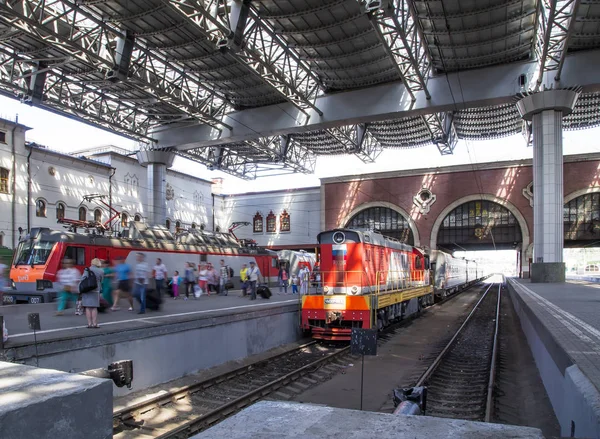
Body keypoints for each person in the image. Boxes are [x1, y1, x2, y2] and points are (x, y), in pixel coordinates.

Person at [80, 258, 104, 328]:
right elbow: (101, 281)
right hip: (96, 290)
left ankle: (89, 324)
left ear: (92, 263)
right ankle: (95, 324)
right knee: (94, 307)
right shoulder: (101, 271)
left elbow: (83, 279)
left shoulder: (87, 269)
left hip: (87, 290)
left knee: (88, 307)